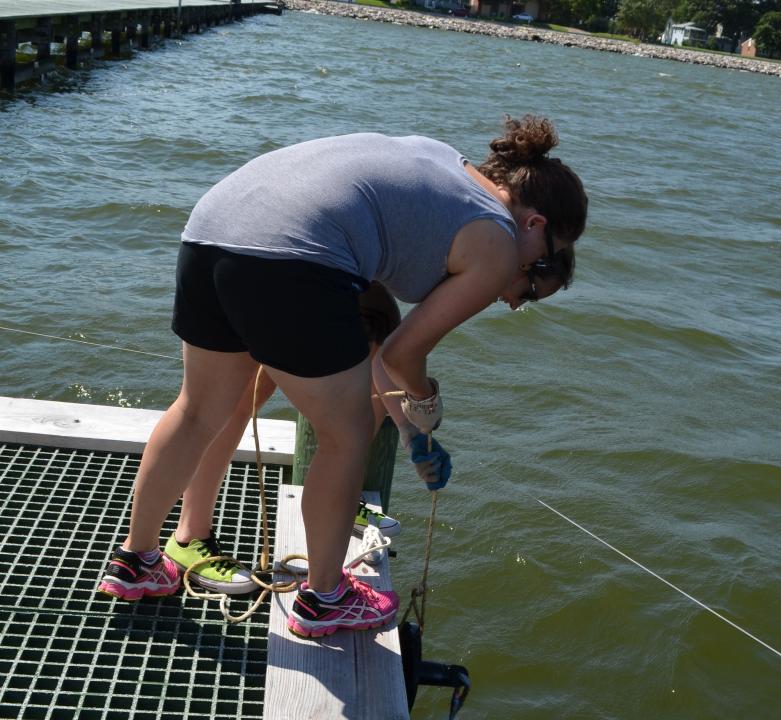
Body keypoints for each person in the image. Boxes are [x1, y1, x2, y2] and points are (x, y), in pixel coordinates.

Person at [97, 115, 588, 638]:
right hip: (293, 256)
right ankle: (325, 598)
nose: (522, 281)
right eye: (545, 260)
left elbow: (377, 332)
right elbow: (401, 356)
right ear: (535, 225)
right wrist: (427, 416)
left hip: (212, 228)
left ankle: (136, 562)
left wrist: (407, 429)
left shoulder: (444, 163)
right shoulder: (497, 242)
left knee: (197, 411)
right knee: (347, 435)